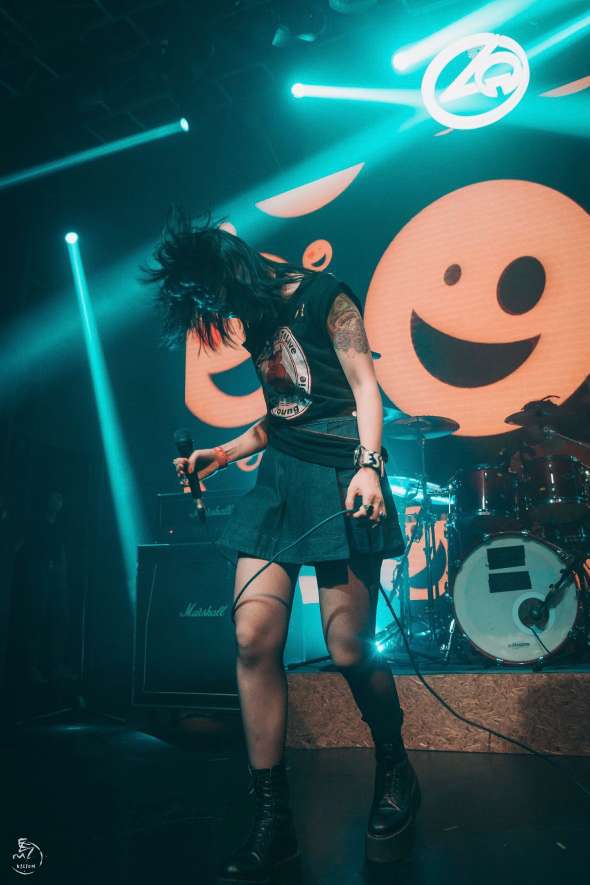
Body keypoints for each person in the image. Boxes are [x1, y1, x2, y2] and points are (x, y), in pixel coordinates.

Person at [143, 208, 420, 881]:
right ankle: (275, 824)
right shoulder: (256, 317)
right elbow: (282, 412)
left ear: (236, 267)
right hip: (279, 480)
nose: (223, 313)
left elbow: (365, 389)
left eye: (220, 296)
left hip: (341, 469)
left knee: (348, 646)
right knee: (252, 637)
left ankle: (394, 764)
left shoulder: (328, 296)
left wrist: (369, 465)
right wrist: (223, 452)